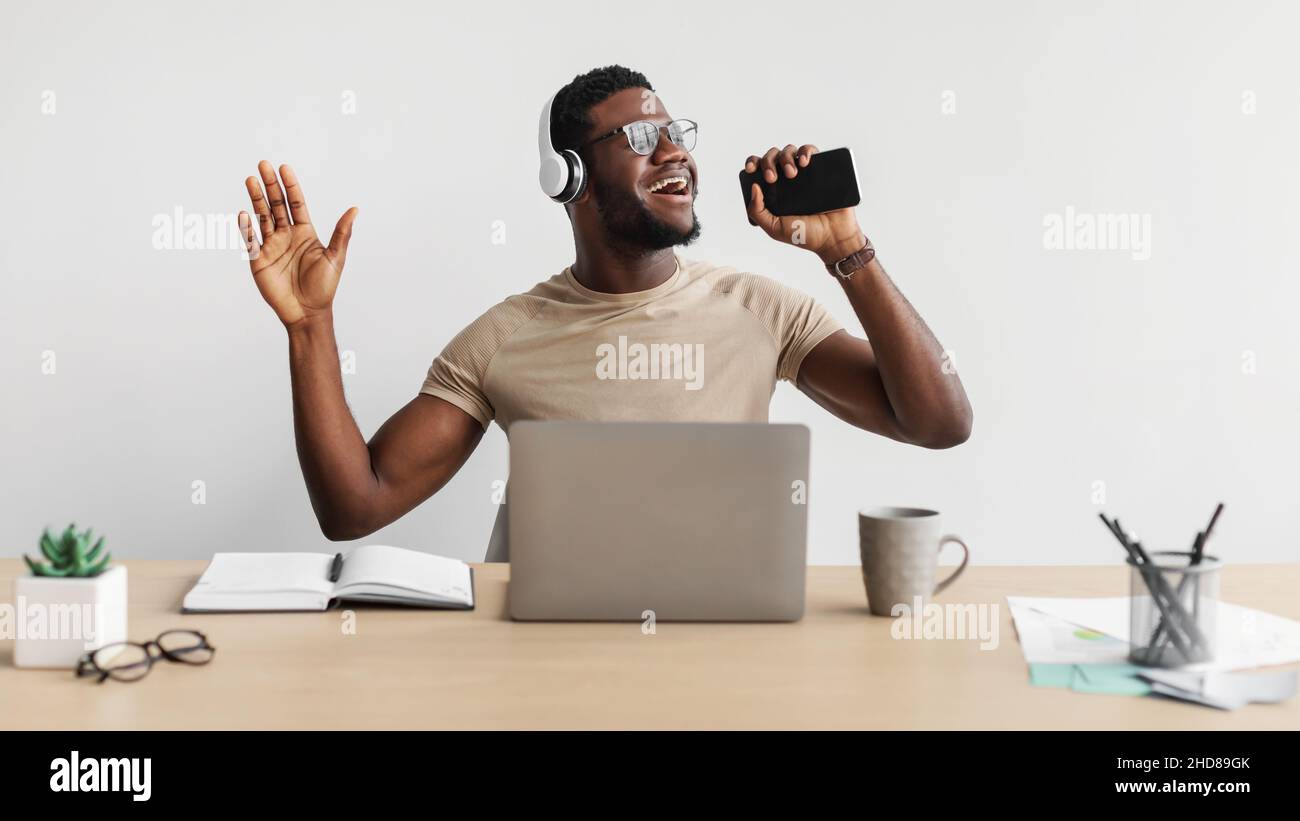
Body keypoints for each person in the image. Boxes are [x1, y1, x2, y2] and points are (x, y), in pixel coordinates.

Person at [236, 65, 973, 560]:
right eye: (644, 140)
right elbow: (354, 507)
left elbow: (939, 422)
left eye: (677, 135)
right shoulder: (504, 338)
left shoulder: (761, 309)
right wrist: (311, 326)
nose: (674, 154)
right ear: (572, 177)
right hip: (538, 674)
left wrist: (849, 250)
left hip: (717, 663)